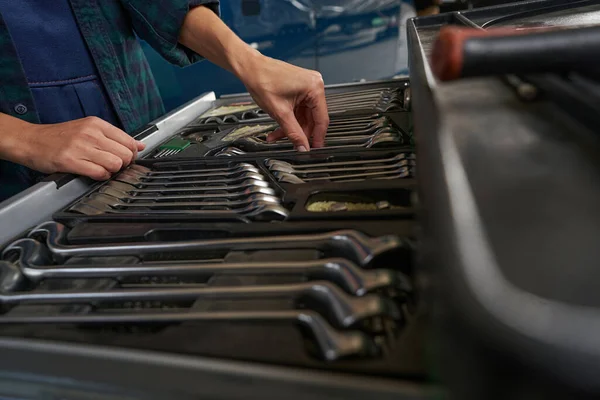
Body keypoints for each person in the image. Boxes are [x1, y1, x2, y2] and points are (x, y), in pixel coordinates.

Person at [0, 1, 329, 202]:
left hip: (134, 117)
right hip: (14, 177)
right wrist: (22, 138)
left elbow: (165, 5)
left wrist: (252, 63)